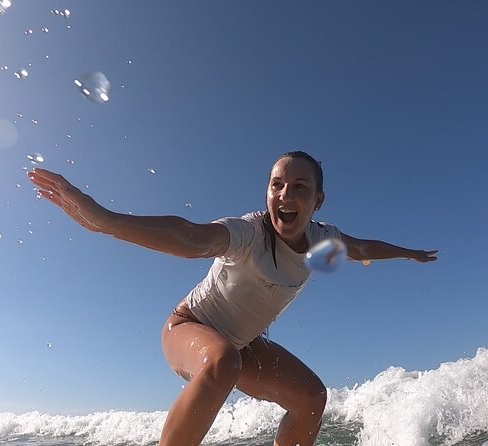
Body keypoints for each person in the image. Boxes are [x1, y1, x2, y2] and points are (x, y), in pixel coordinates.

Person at [27, 151, 437, 446]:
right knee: (222, 360)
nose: (284, 195)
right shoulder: (247, 233)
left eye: (299, 187)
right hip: (188, 326)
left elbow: (362, 248)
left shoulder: (322, 240)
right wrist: (106, 219)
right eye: (277, 185)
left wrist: (409, 253)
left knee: (311, 397)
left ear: (318, 201)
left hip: (242, 346)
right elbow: (190, 236)